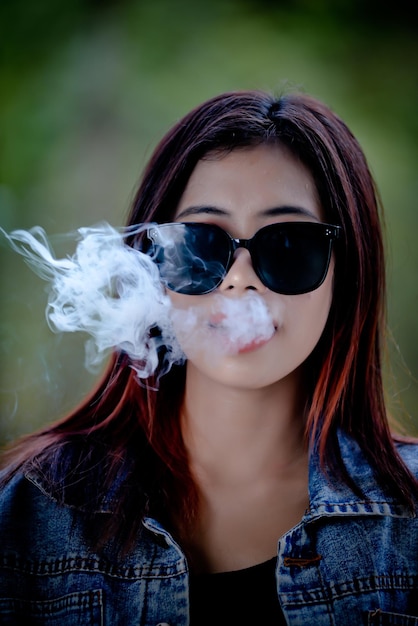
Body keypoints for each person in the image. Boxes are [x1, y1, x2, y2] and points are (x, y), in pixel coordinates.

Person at [1, 89, 418, 626]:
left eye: (289, 244)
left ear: (348, 273)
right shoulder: (25, 514)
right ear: (151, 263)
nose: (239, 277)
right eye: (200, 243)